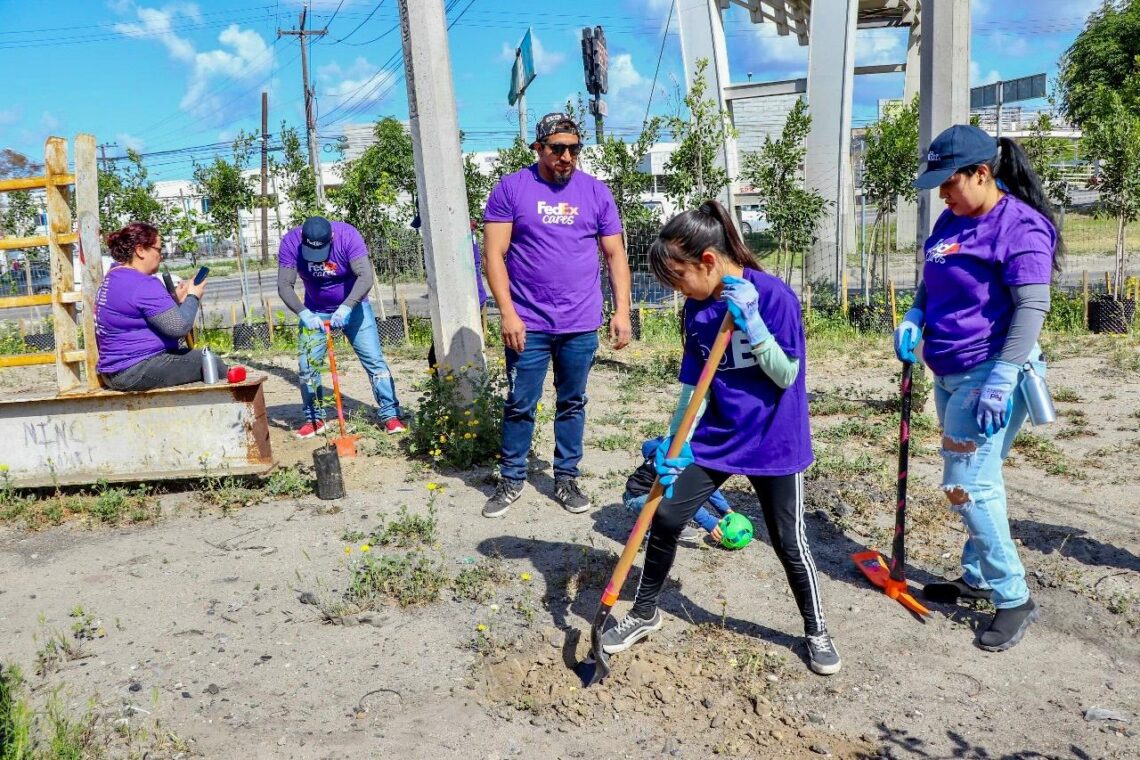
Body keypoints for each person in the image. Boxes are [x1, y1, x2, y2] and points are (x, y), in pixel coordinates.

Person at [599, 200, 841, 676]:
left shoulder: (773, 297)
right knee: (666, 517)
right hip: (718, 437)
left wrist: (753, 325)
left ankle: (816, 629)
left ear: (708, 261)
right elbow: (694, 386)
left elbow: (786, 374)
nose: (677, 290)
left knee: (788, 540)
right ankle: (645, 613)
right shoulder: (695, 309)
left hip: (775, 439)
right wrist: (676, 444)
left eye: (678, 277)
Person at [894, 124, 1061, 651]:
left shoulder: (1021, 227)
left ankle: (1014, 598)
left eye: (949, 182)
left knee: (965, 487)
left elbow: (1032, 306)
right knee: (981, 480)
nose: (941, 193)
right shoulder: (952, 218)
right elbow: (932, 277)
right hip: (948, 372)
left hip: (988, 376)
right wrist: (916, 314)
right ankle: (980, 577)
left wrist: (1004, 376)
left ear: (982, 174)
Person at [481, 112, 633, 518]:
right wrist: (508, 314)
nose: (566, 156)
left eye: (574, 148)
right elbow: (493, 255)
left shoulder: (596, 193)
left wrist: (622, 311)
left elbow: (616, 254)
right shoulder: (512, 189)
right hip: (528, 323)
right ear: (539, 148)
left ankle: (565, 478)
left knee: (572, 402)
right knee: (519, 403)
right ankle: (511, 479)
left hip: (580, 323)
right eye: (557, 149)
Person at [277, 216, 404, 438]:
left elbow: (365, 276)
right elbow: (284, 285)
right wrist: (303, 313)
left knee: (375, 361)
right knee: (307, 365)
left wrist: (347, 307)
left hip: (354, 307)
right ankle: (314, 419)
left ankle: (390, 415)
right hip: (315, 311)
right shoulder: (291, 242)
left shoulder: (347, 236)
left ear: (332, 238)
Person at [95, 221, 223, 391]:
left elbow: (140, 311)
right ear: (140, 250)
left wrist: (174, 299)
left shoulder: (114, 276)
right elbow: (179, 327)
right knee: (213, 363)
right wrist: (193, 295)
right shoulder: (142, 283)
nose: (161, 256)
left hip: (115, 370)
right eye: (158, 250)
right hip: (137, 369)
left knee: (197, 360)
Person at [623, 436, 734, 545]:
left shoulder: (690, 457)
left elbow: (706, 487)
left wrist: (725, 509)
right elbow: (683, 499)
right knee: (670, 506)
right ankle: (654, 532)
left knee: (682, 499)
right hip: (638, 497)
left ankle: (669, 522)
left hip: (658, 493)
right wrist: (708, 521)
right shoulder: (671, 465)